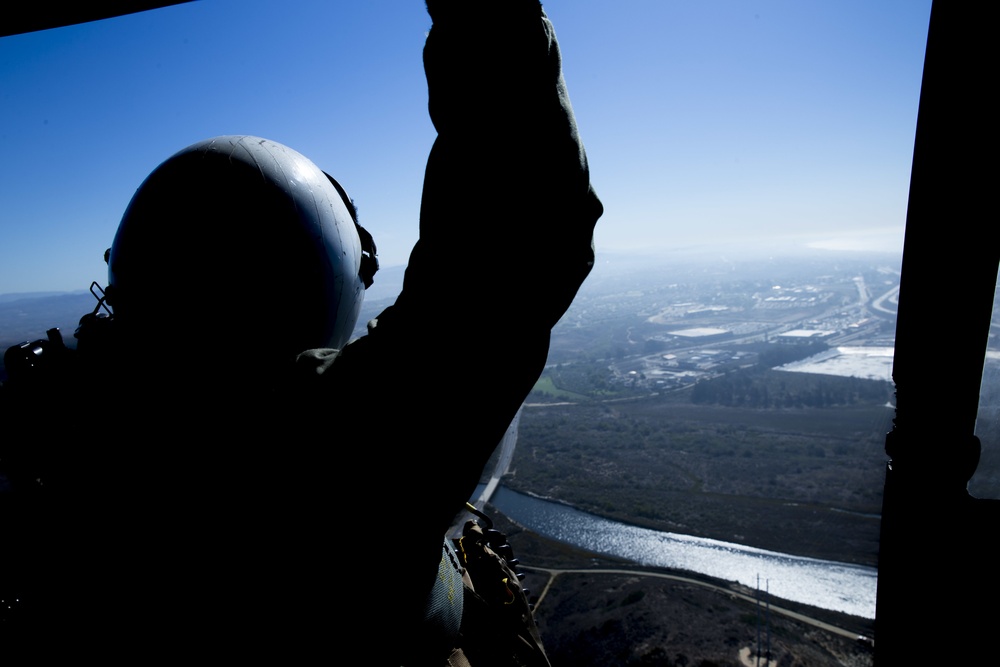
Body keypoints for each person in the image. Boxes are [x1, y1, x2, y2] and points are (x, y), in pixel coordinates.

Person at [1, 1, 601, 664]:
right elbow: (513, 262)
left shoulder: (48, 418)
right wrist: (486, 20)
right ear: (323, 286)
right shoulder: (319, 453)